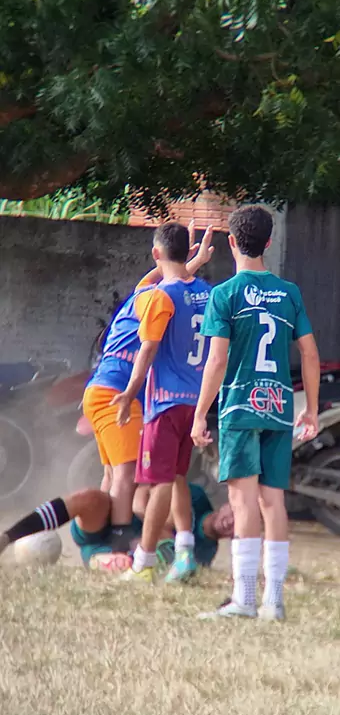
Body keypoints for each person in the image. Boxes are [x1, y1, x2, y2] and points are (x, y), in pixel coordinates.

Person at [191, 205, 321, 621]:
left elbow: (216, 361)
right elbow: (310, 353)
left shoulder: (224, 294)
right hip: (278, 406)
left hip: (240, 407)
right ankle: (274, 601)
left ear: (231, 242)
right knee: (272, 501)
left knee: (242, 501)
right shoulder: (289, 293)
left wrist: (200, 414)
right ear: (269, 242)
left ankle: (244, 599)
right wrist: (311, 409)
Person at [82, 221, 213, 551]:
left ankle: (98, 540)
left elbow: (172, 281)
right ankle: (119, 546)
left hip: (101, 389)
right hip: (116, 391)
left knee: (113, 475)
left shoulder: (148, 291)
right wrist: (192, 264)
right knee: (127, 476)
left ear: (156, 254)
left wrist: (192, 263)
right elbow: (172, 291)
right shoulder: (155, 298)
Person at [0, 484, 234, 570]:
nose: (232, 523)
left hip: (120, 553)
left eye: (239, 527)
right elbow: (142, 492)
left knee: (126, 564)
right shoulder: (196, 495)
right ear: (227, 504)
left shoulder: (205, 552)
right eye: (235, 514)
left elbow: (165, 566)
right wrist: (152, 520)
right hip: (110, 523)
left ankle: (97, 561)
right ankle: (9, 536)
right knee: (89, 497)